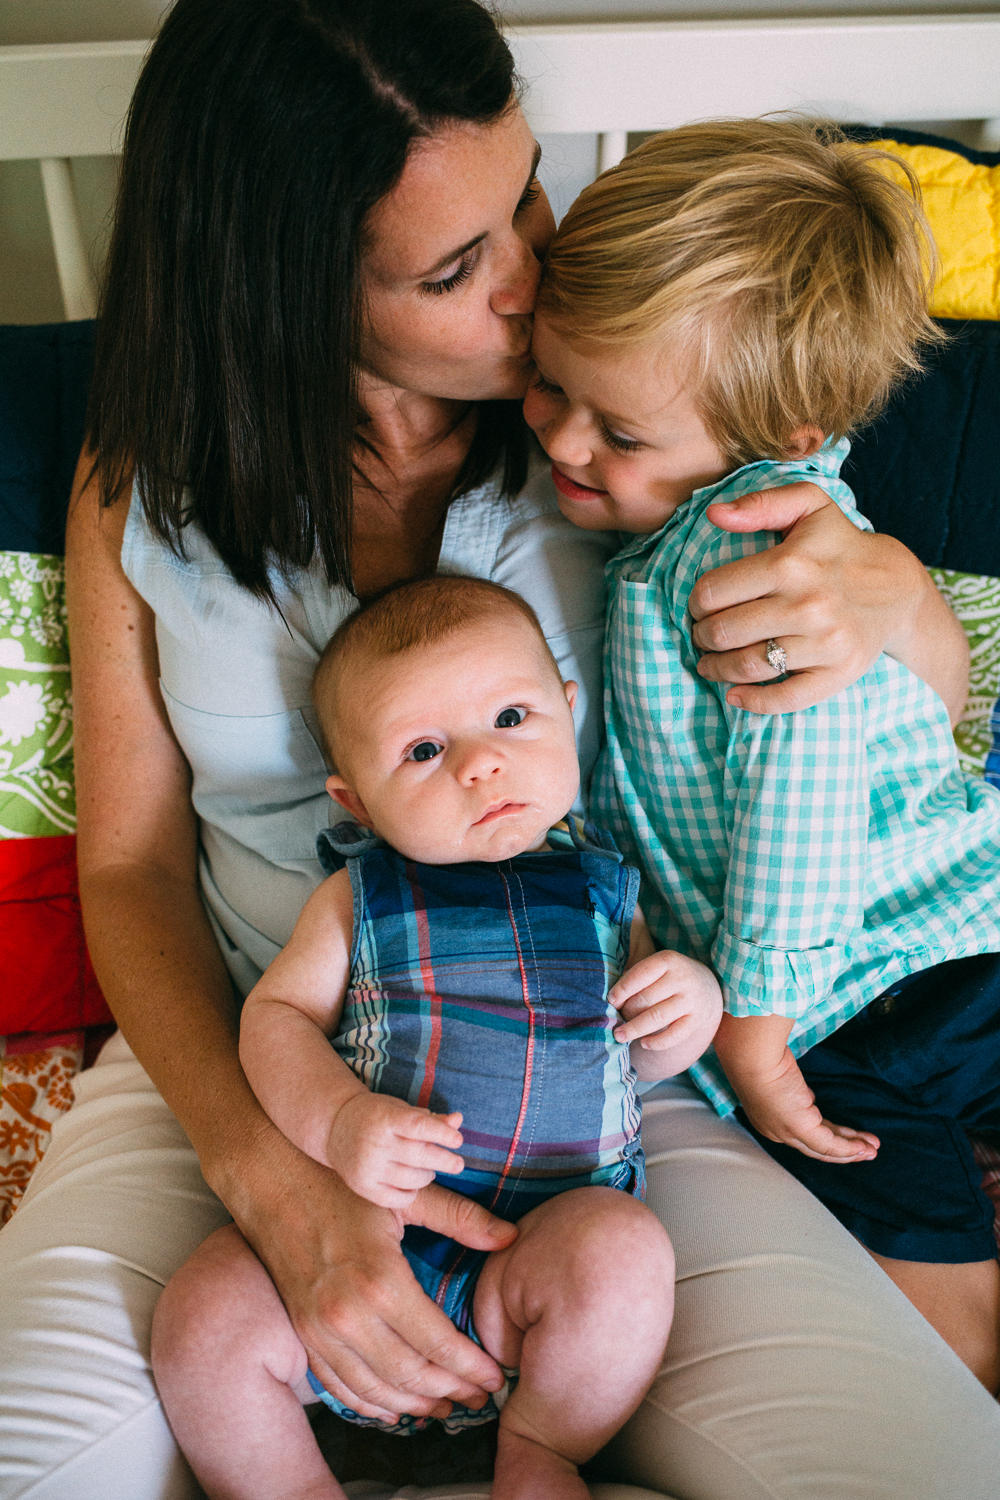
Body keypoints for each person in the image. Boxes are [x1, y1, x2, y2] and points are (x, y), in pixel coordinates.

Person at [2, 2, 999, 1496]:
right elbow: (135, 865)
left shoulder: (608, 423)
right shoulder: (141, 483)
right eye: (460, 268)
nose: (536, 285)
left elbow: (883, 668)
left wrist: (899, 598)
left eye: (526, 196)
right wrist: (271, 1179)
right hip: (239, 1048)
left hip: (607, 1057)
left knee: (916, 1467)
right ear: (282, 289)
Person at [525, 118, 1000, 1393]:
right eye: (549, 387)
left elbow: (798, 793)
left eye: (616, 432)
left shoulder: (747, 561)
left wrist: (756, 1024)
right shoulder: (713, 527)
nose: (564, 444)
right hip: (928, 948)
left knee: (931, 1302)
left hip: (878, 986)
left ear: (771, 427)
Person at [152, 575, 725, 1500]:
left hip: (534, 1248)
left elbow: (638, 1055)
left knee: (624, 1254)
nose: (481, 765)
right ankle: (289, 1484)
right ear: (359, 804)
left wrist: (686, 1009)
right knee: (203, 1322)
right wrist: (340, 1123)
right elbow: (276, 1018)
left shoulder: (606, 892)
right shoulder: (360, 898)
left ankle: (541, 1447)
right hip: (355, 1228)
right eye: (424, 749)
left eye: (511, 717)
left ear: (568, 714)